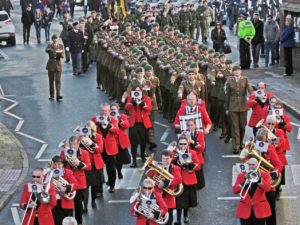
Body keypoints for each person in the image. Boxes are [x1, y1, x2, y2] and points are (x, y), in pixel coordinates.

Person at [125, 67, 152, 168]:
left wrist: (142, 104)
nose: (137, 93)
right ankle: (134, 161)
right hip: (134, 124)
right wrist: (132, 102)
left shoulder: (146, 98)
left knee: (144, 141)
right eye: (135, 91)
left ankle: (142, 155)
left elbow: (148, 108)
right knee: (134, 143)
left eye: (138, 92)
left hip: (143, 123)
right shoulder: (131, 98)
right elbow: (127, 107)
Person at [60, 136, 91, 225]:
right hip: (68, 182)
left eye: (74, 144)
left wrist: (79, 163)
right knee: (68, 206)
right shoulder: (64, 152)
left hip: (80, 182)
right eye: (71, 144)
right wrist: (65, 161)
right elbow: (59, 165)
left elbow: (89, 167)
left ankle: (79, 222)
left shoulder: (84, 153)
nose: (72, 146)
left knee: (78, 205)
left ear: (78, 144)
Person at [147, 150, 182, 225]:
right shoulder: (157, 166)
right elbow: (149, 177)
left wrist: (165, 182)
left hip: (168, 199)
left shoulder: (176, 168)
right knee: (156, 221)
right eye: (163, 158)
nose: (165, 161)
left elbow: (179, 179)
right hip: (157, 198)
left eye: (167, 159)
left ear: (171, 158)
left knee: (168, 221)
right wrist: (153, 177)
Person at [233, 157, 271, 225]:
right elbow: (235, 190)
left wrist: (259, 181)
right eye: (249, 164)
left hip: (259, 210)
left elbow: (268, 188)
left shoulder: (265, 175)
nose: (251, 166)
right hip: (245, 209)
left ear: (257, 165)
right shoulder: (241, 176)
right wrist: (243, 183)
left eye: (253, 165)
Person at [91, 103, 119, 193]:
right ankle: (99, 190)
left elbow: (117, 132)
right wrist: (95, 125)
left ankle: (112, 185)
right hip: (99, 148)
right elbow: (89, 130)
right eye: (102, 110)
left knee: (111, 169)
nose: (104, 113)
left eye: (106, 111)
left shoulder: (113, 120)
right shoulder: (95, 119)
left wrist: (109, 125)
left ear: (109, 111)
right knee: (99, 170)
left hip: (110, 148)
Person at [225, 65, 253, 153]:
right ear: (233, 72)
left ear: (241, 71)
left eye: (238, 70)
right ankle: (236, 146)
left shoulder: (245, 79)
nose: (237, 72)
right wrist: (226, 108)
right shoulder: (229, 80)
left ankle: (240, 143)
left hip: (243, 105)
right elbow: (227, 95)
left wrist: (253, 94)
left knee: (242, 126)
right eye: (235, 70)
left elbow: (250, 88)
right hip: (233, 106)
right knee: (235, 127)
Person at [172, 135, 200, 225]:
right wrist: (176, 160)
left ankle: (185, 215)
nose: (183, 146)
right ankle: (179, 219)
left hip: (189, 180)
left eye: (184, 144)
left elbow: (198, 166)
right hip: (178, 180)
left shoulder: (192, 153)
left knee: (187, 201)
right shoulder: (174, 153)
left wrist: (189, 165)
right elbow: (170, 164)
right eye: (181, 144)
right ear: (178, 144)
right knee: (179, 201)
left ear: (188, 144)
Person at [81, 121, 105, 211]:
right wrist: (82, 141)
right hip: (86, 165)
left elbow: (100, 150)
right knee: (85, 187)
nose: (88, 131)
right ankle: (85, 205)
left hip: (96, 165)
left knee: (95, 186)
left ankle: (93, 201)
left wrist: (91, 143)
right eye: (87, 129)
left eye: (91, 129)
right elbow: (77, 149)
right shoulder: (81, 138)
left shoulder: (98, 137)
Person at [50, 156, 78, 225]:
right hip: (54, 203)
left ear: (62, 165)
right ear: (52, 164)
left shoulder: (68, 172)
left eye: (59, 164)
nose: (57, 167)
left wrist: (65, 188)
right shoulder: (49, 174)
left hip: (67, 202)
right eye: (55, 164)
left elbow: (76, 184)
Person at [110, 103, 131, 179]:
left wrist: (119, 120)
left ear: (118, 109)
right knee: (112, 161)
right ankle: (113, 175)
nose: (113, 111)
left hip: (121, 142)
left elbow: (127, 125)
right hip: (112, 142)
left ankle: (119, 171)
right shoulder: (108, 118)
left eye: (114, 109)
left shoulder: (122, 116)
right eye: (111, 109)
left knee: (120, 160)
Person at [186, 118, 206, 190]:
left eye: (191, 125)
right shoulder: (185, 134)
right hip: (189, 157)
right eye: (188, 125)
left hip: (198, 156)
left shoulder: (200, 134)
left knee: (198, 175)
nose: (190, 127)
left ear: (195, 125)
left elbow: (202, 147)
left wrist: (192, 142)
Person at [45, 34, 64, 101]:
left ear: (57, 39)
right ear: (52, 39)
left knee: (58, 80)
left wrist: (60, 54)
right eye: (54, 38)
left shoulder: (60, 46)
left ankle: (58, 95)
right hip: (51, 64)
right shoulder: (50, 45)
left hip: (58, 64)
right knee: (51, 80)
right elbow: (46, 50)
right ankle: (51, 95)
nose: (55, 39)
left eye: (56, 38)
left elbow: (62, 55)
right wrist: (49, 50)